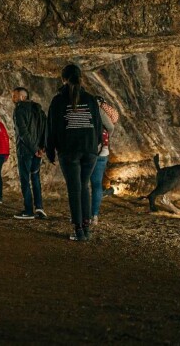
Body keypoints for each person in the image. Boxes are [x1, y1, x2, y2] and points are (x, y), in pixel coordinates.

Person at [46, 64, 103, 242]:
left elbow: (52, 127)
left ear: (63, 79)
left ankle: (78, 229)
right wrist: (96, 145)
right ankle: (85, 227)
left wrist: (50, 150)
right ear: (81, 78)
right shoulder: (91, 99)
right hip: (90, 149)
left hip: (69, 150)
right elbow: (98, 126)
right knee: (84, 186)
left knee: (74, 188)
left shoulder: (58, 100)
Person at [11, 87, 47, 220]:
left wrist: (34, 149)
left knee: (25, 180)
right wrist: (41, 148)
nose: (12, 98)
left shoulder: (19, 109)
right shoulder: (38, 110)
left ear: (21, 97)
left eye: (14, 95)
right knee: (36, 178)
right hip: (37, 151)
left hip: (26, 151)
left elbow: (23, 132)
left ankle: (28, 210)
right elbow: (45, 129)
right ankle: (39, 208)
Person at [90, 96, 117, 225]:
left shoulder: (84, 108)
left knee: (82, 184)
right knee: (96, 185)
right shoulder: (100, 109)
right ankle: (94, 215)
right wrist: (105, 139)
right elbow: (110, 127)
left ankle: (80, 215)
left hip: (86, 150)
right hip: (101, 151)